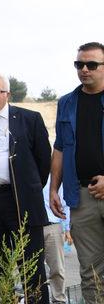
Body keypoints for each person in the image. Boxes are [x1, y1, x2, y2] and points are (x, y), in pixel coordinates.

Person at [0, 72, 50, 303]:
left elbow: (43, 162)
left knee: (32, 269)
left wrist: (28, 188)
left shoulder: (29, 119)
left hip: (21, 202)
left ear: (8, 94)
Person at [50, 41, 104, 303]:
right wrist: (53, 188)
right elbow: (60, 148)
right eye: (79, 64)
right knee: (91, 273)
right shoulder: (67, 103)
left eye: (91, 64)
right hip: (81, 196)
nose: (84, 69)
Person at [43, 181, 71, 304]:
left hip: (52, 224)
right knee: (33, 269)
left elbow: (65, 204)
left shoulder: (54, 178)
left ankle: (59, 300)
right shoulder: (26, 173)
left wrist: (67, 228)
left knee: (57, 269)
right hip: (30, 226)